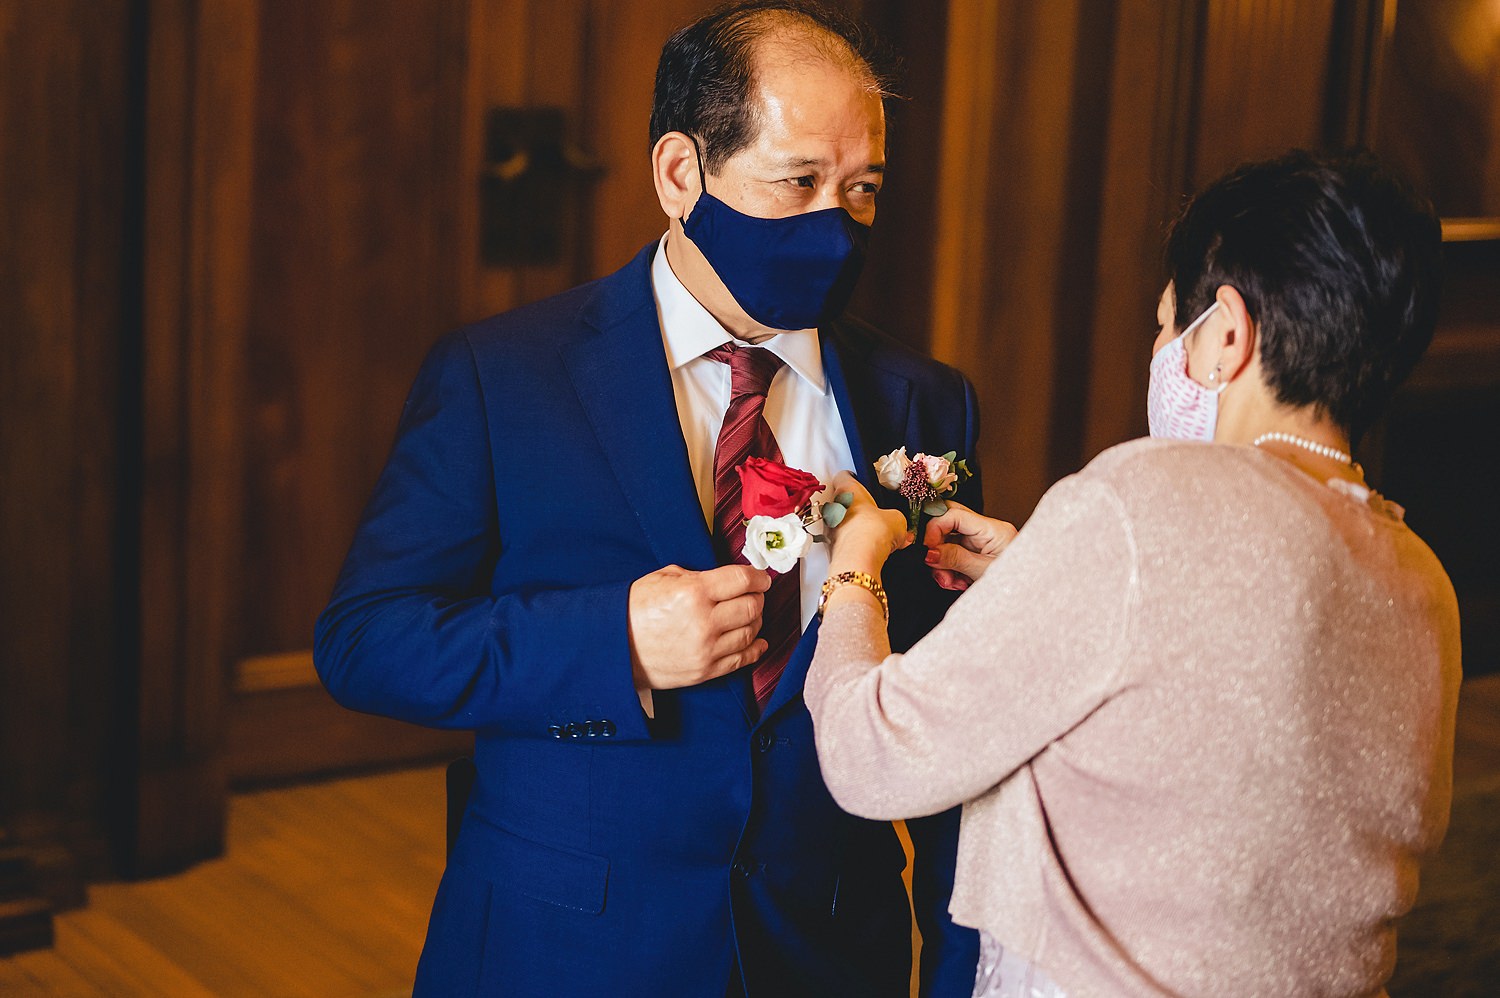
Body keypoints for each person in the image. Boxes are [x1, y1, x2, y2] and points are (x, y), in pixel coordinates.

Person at [314, 2, 982, 994]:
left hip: (827, 949)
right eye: (798, 180)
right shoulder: (504, 376)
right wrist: (614, 642)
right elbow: (366, 640)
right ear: (680, 174)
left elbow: (953, 721)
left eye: (862, 189)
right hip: (567, 945)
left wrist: (966, 973)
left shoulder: (921, 402)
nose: (835, 224)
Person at [805, 149, 1461, 997]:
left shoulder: (1146, 501)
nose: (1158, 349)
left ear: (1227, 333)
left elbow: (871, 755)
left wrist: (854, 568)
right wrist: (1041, 573)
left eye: (1164, 325)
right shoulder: (1420, 577)